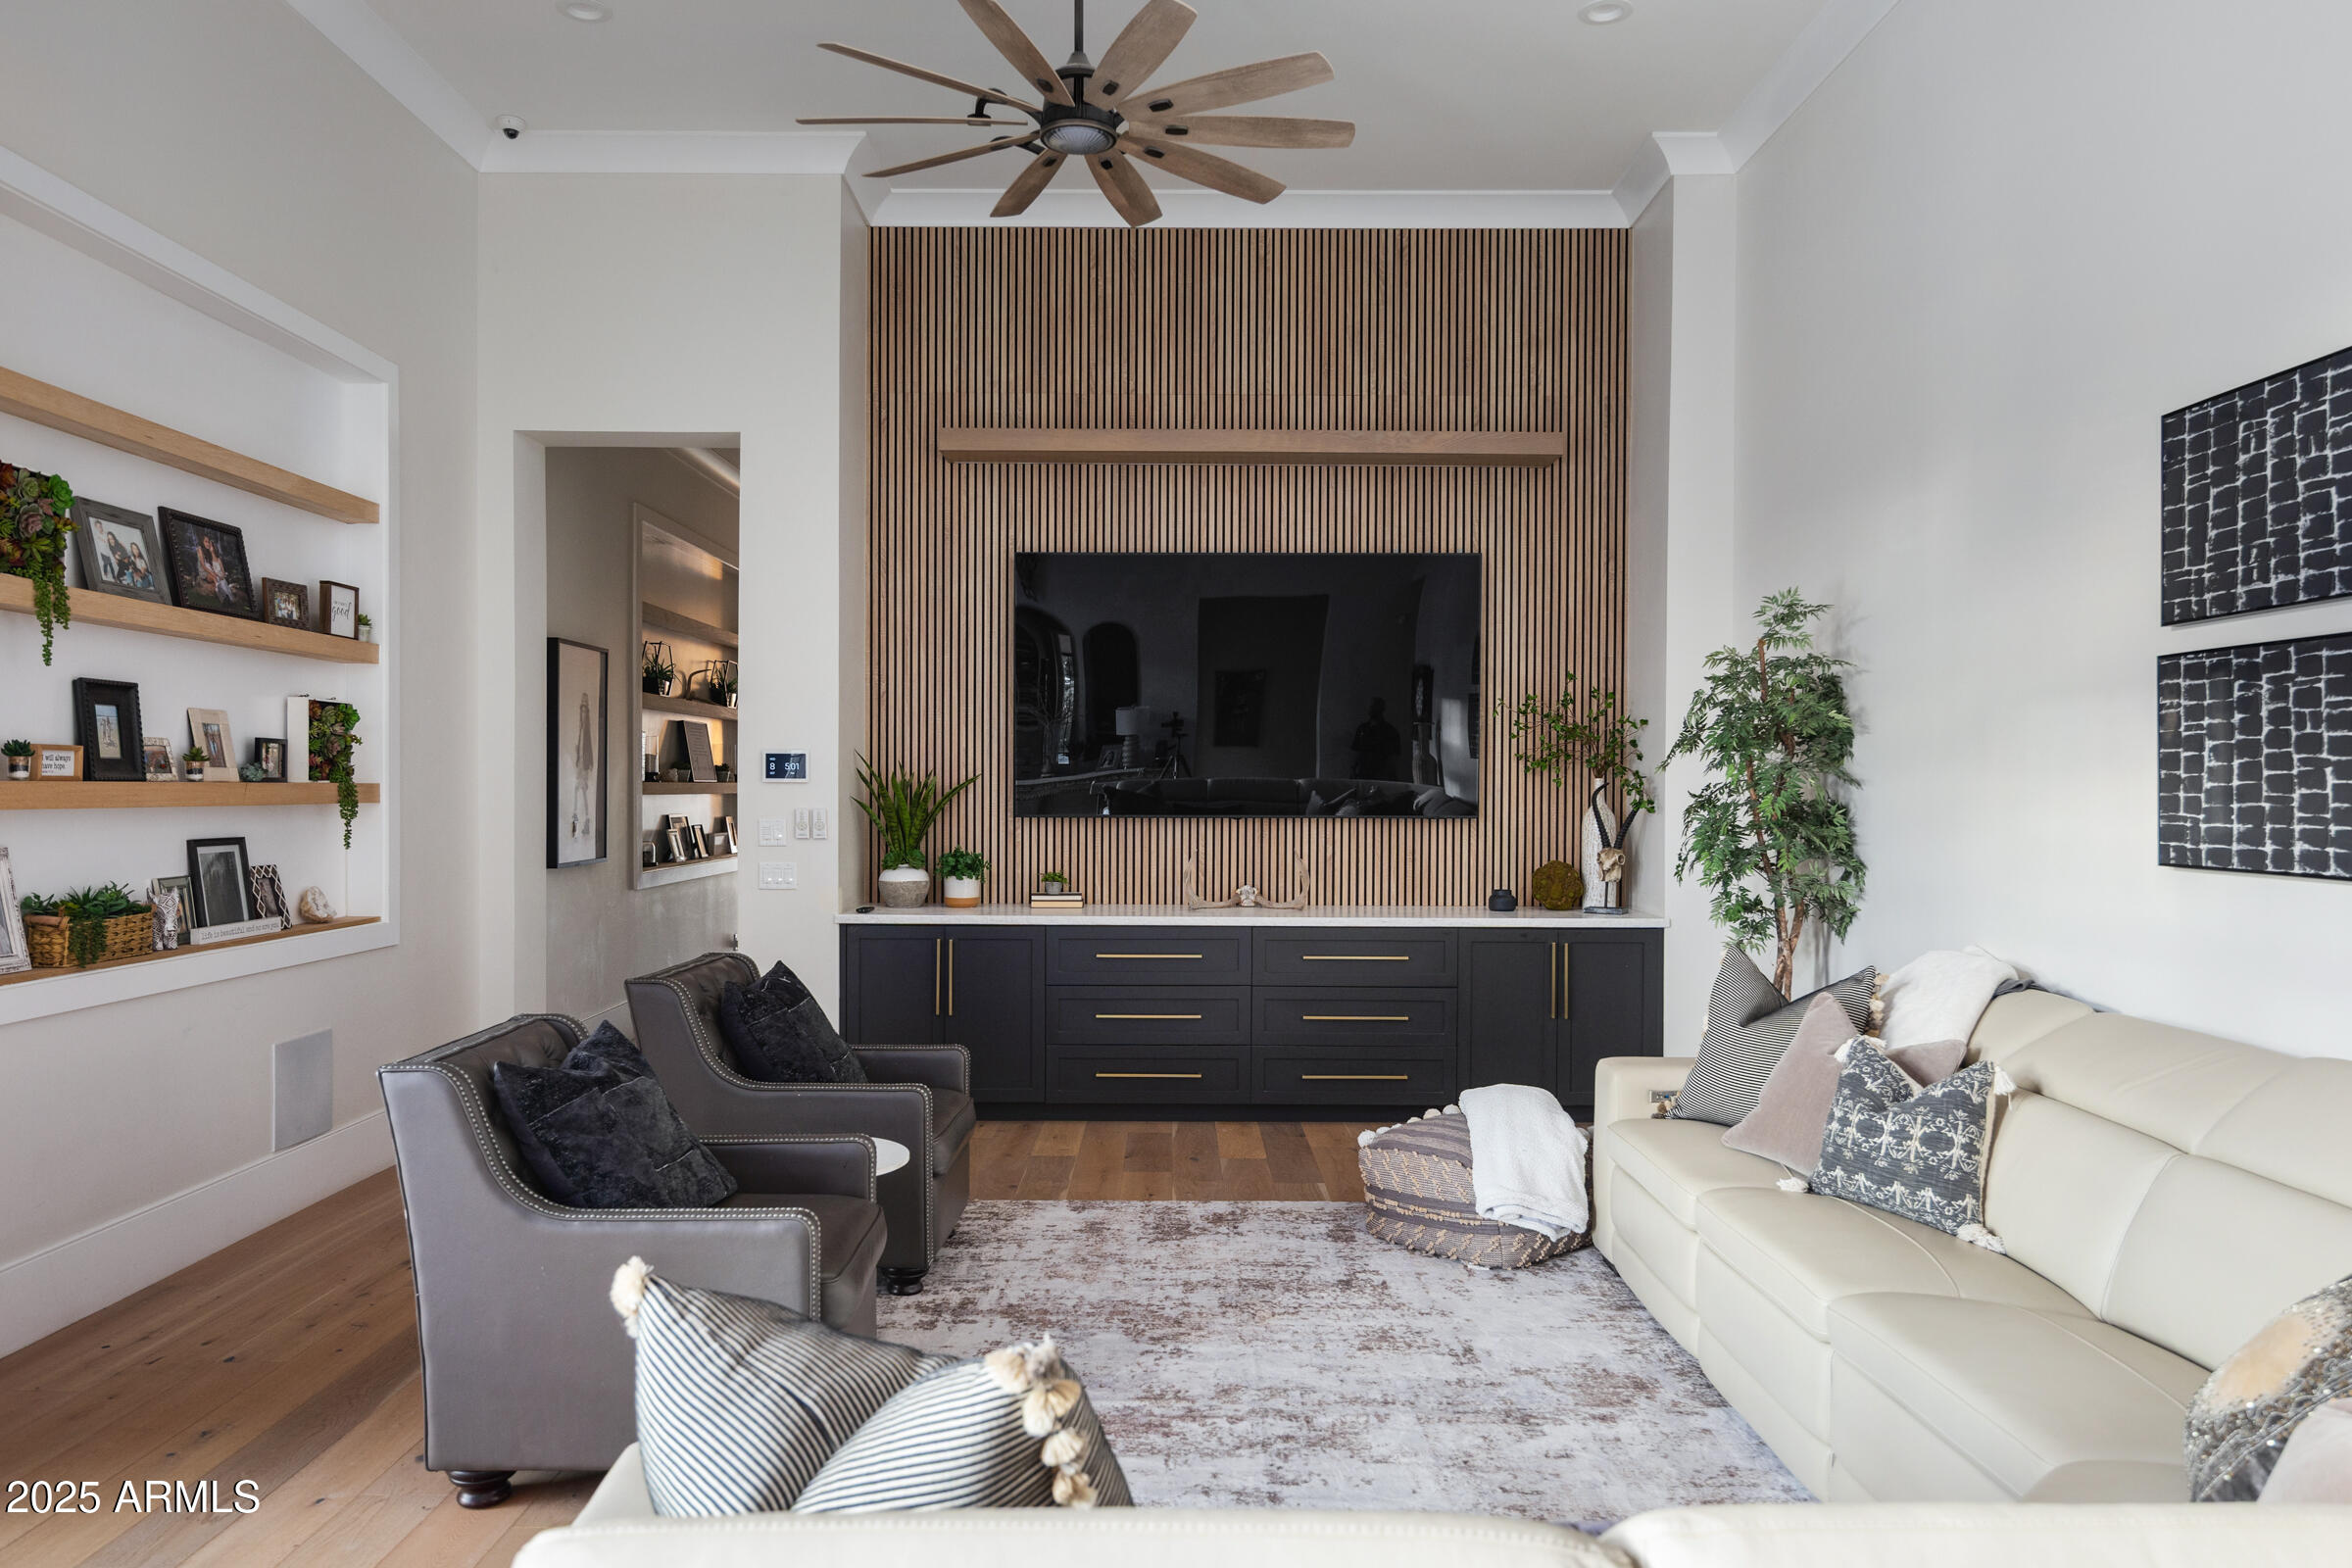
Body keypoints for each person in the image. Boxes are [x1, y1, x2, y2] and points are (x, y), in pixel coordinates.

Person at [1350, 698, 1402, 780]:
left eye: (1374, 706)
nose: (1370, 709)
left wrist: (1392, 776)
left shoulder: (1390, 731)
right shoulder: (1362, 728)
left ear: (1382, 709)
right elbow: (1357, 751)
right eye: (1370, 706)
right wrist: (1353, 769)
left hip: (1381, 776)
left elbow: (1393, 758)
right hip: (1363, 774)